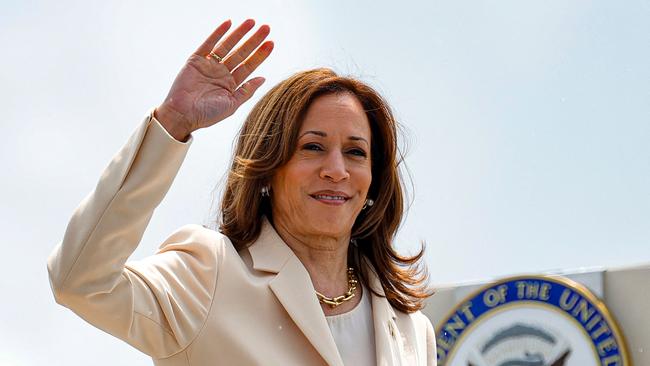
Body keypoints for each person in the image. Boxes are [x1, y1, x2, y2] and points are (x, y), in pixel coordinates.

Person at [47, 19, 436, 366]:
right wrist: (172, 123)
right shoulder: (208, 275)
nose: (336, 170)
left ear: (374, 181)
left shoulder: (412, 328)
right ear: (267, 169)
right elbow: (81, 282)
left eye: (355, 152)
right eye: (312, 147)